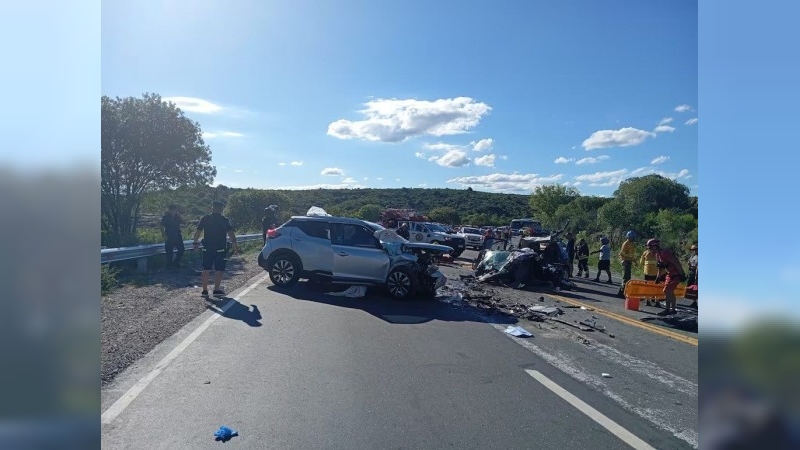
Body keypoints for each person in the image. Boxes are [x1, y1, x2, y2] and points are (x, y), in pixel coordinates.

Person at [193, 200, 238, 298]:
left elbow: (197, 232)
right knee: (219, 269)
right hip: (220, 249)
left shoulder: (205, 219)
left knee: (206, 269)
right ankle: (216, 290)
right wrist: (235, 247)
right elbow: (231, 234)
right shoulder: (224, 220)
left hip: (207, 248)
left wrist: (195, 243)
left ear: (212, 208)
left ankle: (204, 290)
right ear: (221, 209)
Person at [647, 238, 687, 316]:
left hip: (675, 274)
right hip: (669, 274)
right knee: (669, 291)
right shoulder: (657, 255)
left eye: (651, 248)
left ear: (655, 247)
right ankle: (672, 310)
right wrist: (658, 278)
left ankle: (669, 309)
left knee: (667, 290)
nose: (650, 250)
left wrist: (682, 274)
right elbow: (660, 268)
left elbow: (676, 262)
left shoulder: (665, 252)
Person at [160, 204, 184, 269]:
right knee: (169, 252)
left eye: (174, 209)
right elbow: (161, 226)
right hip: (169, 236)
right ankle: (169, 267)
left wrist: (180, 216)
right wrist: (164, 235)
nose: (173, 211)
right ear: (169, 210)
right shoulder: (166, 217)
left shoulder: (177, 217)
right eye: (172, 209)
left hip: (178, 236)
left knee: (181, 250)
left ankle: (176, 262)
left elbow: (184, 222)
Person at [617, 231, 637, 297]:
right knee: (625, 278)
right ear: (630, 237)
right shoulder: (626, 243)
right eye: (633, 237)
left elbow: (632, 255)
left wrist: (634, 261)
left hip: (629, 262)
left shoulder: (632, 244)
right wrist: (628, 258)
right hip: (625, 262)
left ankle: (624, 292)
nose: (634, 238)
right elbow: (622, 253)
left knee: (628, 278)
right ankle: (621, 292)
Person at [687, 244, 698, 308]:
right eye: (692, 249)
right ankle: (694, 301)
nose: (693, 250)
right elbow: (689, 263)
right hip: (691, 272)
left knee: (697, 288)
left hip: (696, 273)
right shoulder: (692, 256)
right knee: (692, 288)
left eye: (695, 249)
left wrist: (696, 275)